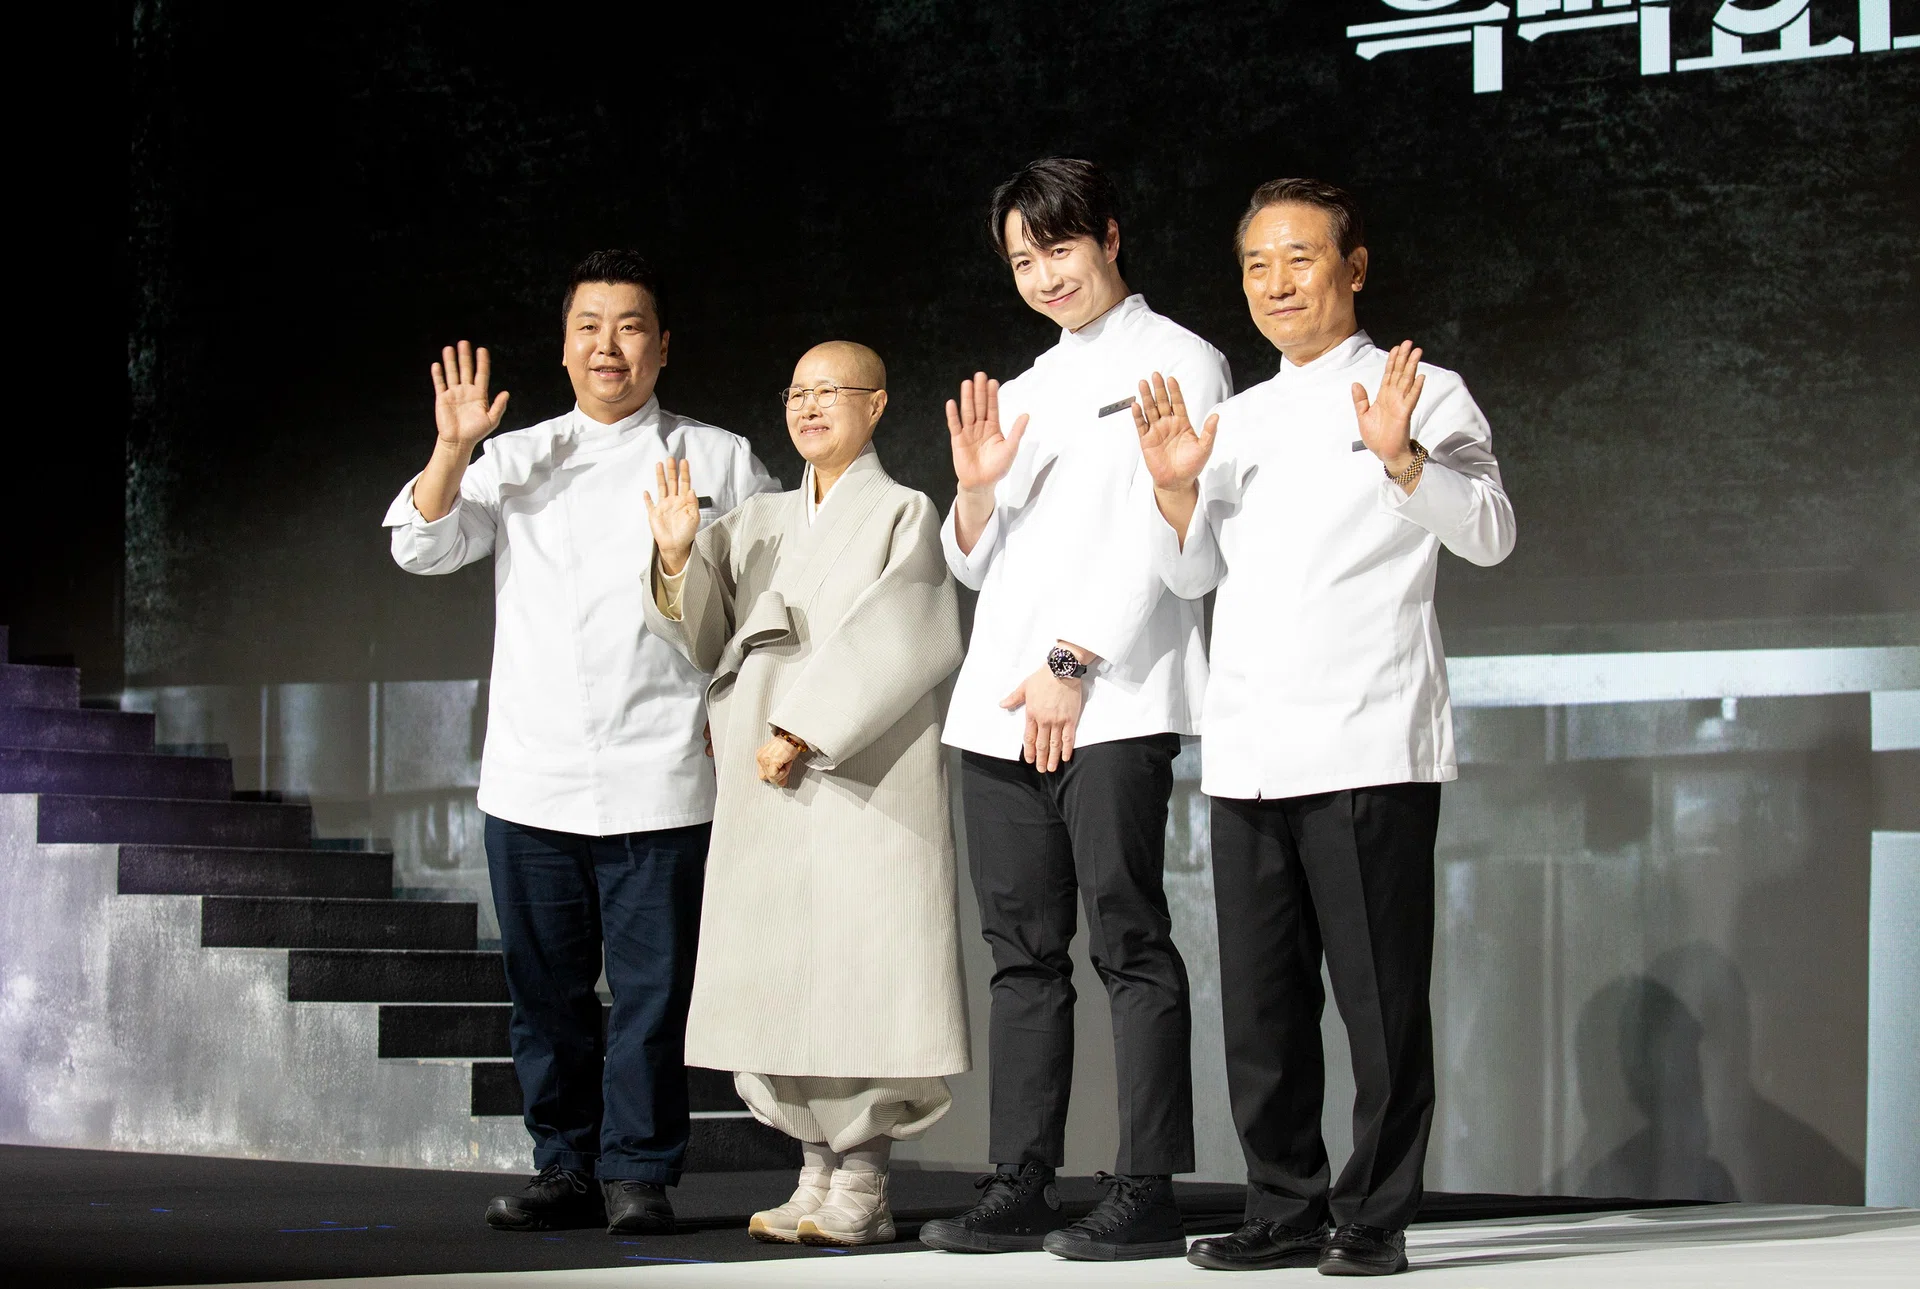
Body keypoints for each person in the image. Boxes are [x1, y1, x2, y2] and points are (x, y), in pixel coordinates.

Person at [1131, 179, 1516, 1276]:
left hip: (1367, 734)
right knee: (1261, 1006)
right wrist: (1172, 496)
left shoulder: (1422, 390)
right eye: (1257, 264)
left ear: (1355, 268)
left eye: (1300, 258)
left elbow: (1489, 531)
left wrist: (1403, 459)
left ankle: (1375, 1212)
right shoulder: (1238, 418)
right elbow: (1195, 571)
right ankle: (1284, 1199)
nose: (1277, 282)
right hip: (1249, 742)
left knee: (1380, 1004)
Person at [384, 251, 777, 1234]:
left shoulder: (718, 456)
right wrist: (451, 447)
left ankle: (639, 1169)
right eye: (591, 326)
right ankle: (563, 1164)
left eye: (631, 324)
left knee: (651, 996)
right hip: (531, 773)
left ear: (662, 346)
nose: (611, 344)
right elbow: (421, 545)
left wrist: (736, 711)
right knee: (545, 993)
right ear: (565, 347)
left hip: (666, 773)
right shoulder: (515, 455)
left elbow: (776, 597)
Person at [915, 158, 1232, 1263]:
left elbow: (1172, 536)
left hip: (1116, 696)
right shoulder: (1025, 384)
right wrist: (975, 488)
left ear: (1107, 232)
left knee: (1131, 941)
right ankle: (1021, 1179)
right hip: (1001, 705)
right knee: (1021, 954)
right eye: (1021, 260)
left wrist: (1073, 658)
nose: (1044, 275)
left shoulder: (1183, 358)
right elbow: (974, 564)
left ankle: (1145, 1183)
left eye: (1057, 248)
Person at [640, 341, 969, 1247]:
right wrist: (677, 557)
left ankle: (864, 1176)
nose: (809, 405)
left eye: (830, 391)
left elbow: (911, 629)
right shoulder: (759, 520)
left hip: (861, 771)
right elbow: (703, 633)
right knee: (788, 969)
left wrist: (807, 727)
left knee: (863, 966)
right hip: (767, 780)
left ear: (877, 404)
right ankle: (814, 1167)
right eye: (796, 391)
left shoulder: (904, 510)